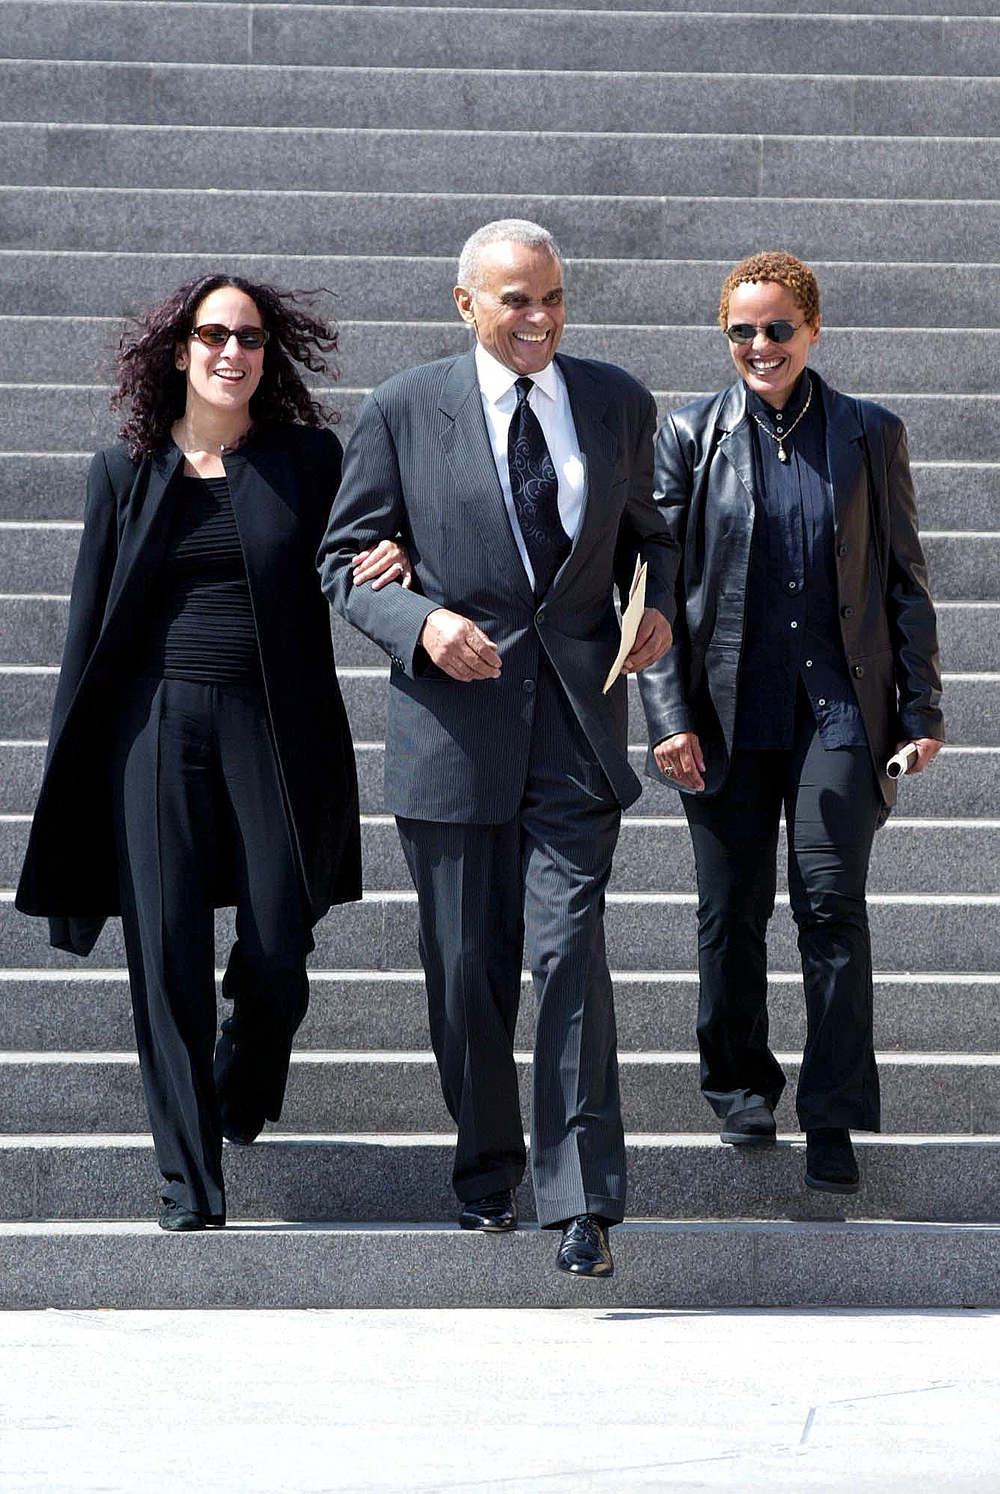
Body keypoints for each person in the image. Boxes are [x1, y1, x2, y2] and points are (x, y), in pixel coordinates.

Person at [318, 219, 677, 1277]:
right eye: (516, 300)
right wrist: (421, 622)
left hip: (574, 726)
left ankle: (581, 1202)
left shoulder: (614, 399)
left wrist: (655, 608)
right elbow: (343, 560)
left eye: (553, 298)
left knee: (569, 951)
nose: (539, 320)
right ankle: (487, 1173)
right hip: (451, 735)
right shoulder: (402, 409)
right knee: (466, 970)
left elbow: (652, 534)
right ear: (465, 303)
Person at [16, 274, 405, 1231]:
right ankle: (189, 1184)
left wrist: (396, 558)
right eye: (217, 335)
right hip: (152, 729)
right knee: (166, 952)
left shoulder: (307, 461)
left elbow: (356, 552)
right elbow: (86, 630)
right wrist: (74, 769)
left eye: (253, 339)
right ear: (180, 349)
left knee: (280, 929)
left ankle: (245, 1069)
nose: (235, 353)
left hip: (274, 721)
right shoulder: (126, 469)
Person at [637, 250, 944, 1195]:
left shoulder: (867, 433)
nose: (760, 346)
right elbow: (654, 594)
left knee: (830, 909)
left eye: (777, 329)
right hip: (724, 719)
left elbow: (905, 582)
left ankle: (834, 1116)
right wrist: (667, 715)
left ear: (813, 331)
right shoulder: (689, 436)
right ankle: (738, 1089)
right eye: (742, 330)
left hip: (840, 714)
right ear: (723, 334)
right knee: (729, 915)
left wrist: (923, 707)